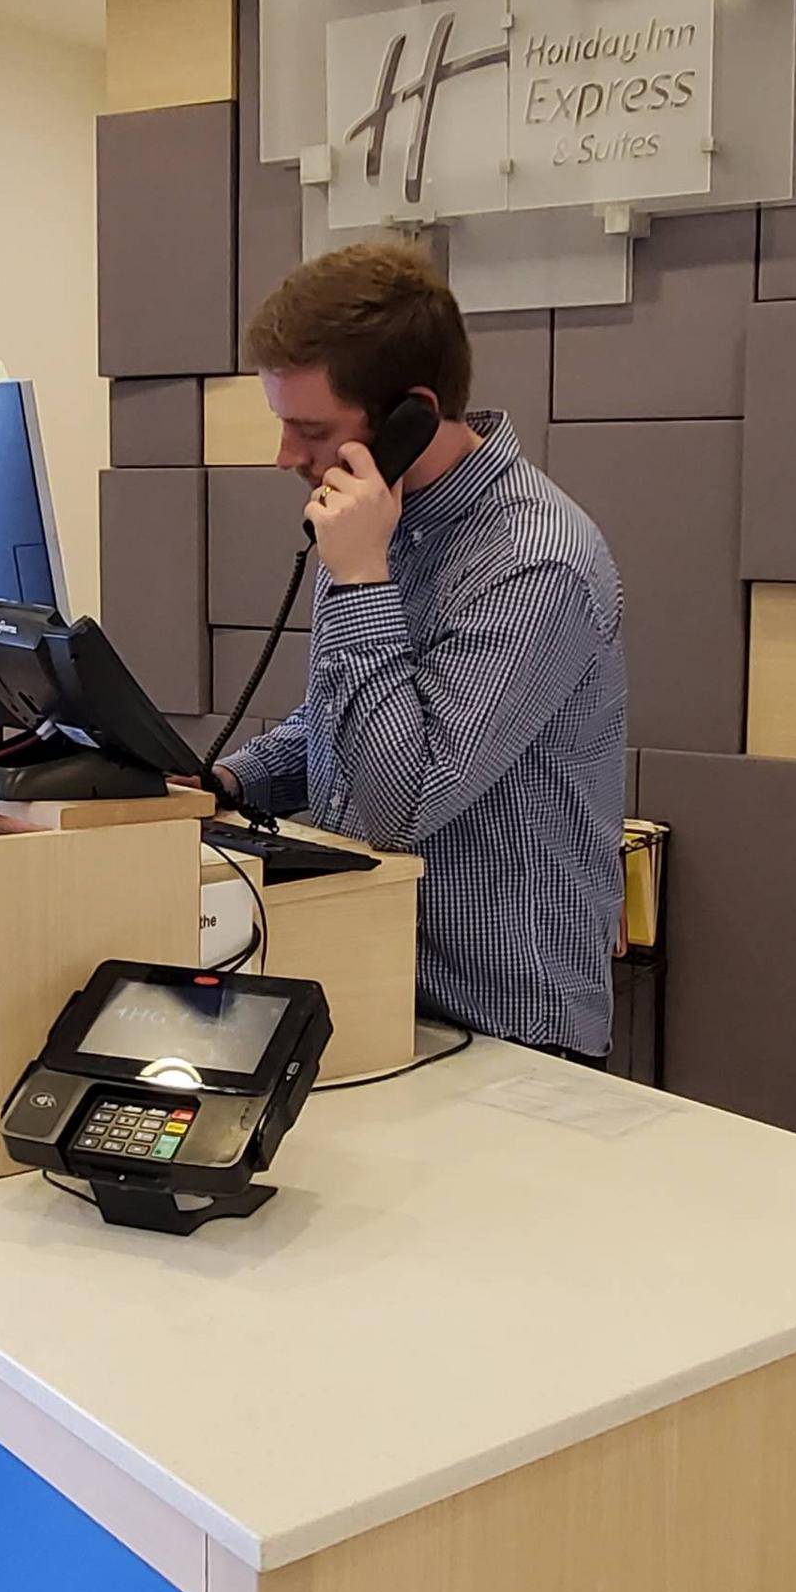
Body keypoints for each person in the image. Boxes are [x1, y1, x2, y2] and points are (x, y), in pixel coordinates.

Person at [210, 242, 627, 1063]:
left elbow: (401, 806)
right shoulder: (375, 516)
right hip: (369, 988)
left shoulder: (534, 560)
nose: (286, 456)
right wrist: (225, 780)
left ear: (410, 415)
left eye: (311, 428)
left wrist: (363, 580)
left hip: (503, 1034)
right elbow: (344, 726)